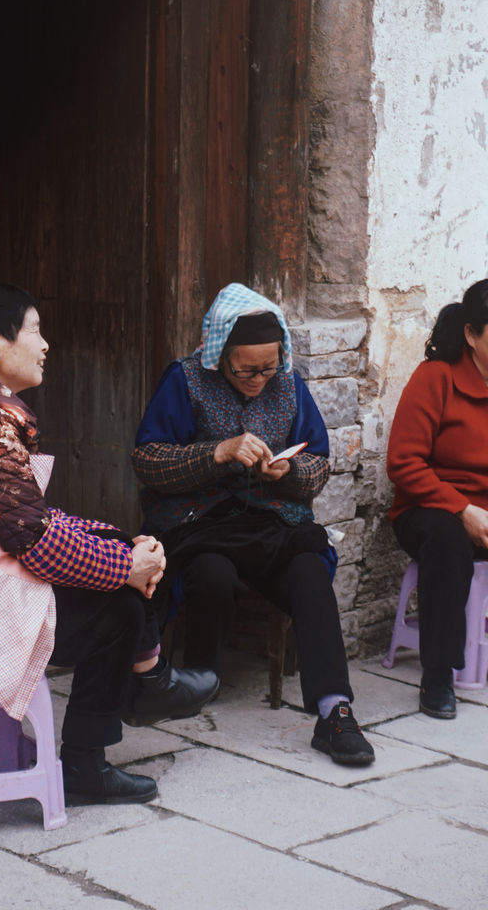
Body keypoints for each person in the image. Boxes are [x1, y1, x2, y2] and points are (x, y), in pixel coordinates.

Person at [0, 281, 218, 807]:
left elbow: (24, 518)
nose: (45, 344)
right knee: (117, 605)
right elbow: (36, 543)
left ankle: (148, 678)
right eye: (34, 330)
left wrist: (121, 548)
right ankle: (93, 753)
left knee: (115, 557)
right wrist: (126, 567)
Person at [131, 282, 374, 766]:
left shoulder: (290, 385)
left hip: (270, 520)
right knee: (212, 572)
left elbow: (319, 464)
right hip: (201, 521)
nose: (259, 378)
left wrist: (290, 473)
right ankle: (200, 679)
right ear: (220, 352)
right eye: (246, 368)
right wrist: (216, 452)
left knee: (308, 567)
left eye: (268, 366)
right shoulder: (185, 381)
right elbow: (147, 460)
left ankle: (334, 711)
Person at [387, 278, 488, 720]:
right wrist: (463, 509)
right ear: (472, 334)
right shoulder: (436, 378)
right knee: (448, 539)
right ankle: (439, 673)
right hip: (427, 509)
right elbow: (403, 463)